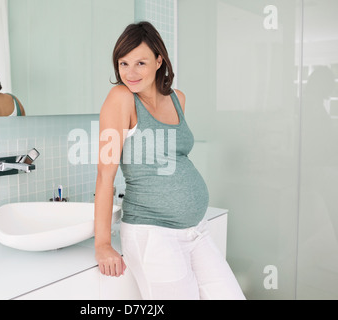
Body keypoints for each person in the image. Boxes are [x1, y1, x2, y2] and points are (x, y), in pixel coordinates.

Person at [94, 21, 245, 300]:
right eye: (123, 63)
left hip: (197, 230)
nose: (130, 73)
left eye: (140, 63)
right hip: (153, 234)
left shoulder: (178, 99)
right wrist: (102, 243)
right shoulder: (121, 99)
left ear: (159, 60)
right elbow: (105, 175)